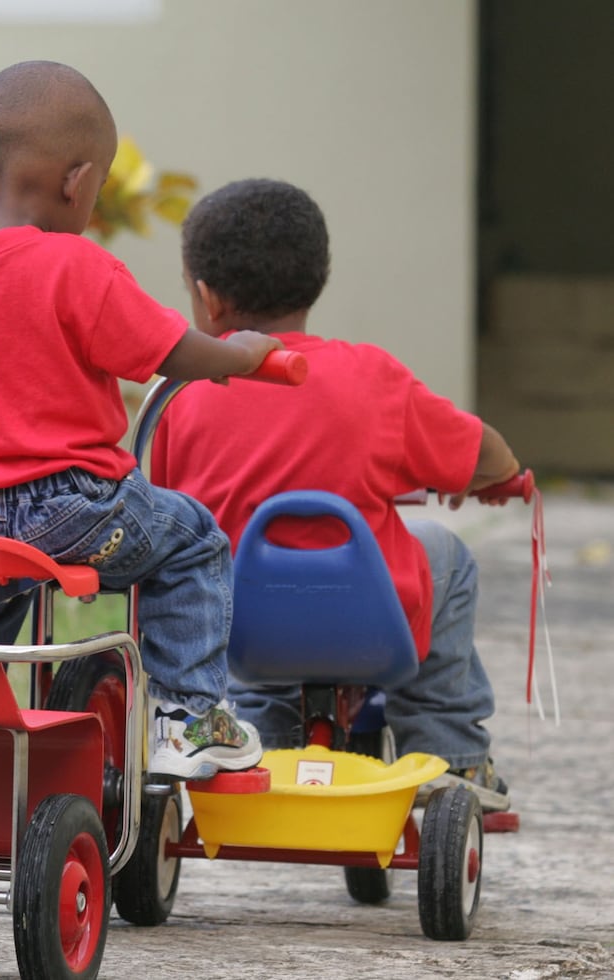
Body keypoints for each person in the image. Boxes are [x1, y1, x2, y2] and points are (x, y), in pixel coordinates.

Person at [0, 62, 282, 781]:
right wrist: (239, 354)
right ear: (79, 182)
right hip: (74, 509)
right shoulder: (74, 266)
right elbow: (167, 348)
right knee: (193, 542)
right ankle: (188, 719)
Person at [151, 177, 519, 809]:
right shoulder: (372, 378)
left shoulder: (181, 394)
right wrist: (497, 476)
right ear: (317, 280)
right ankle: (451, 752)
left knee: (225, 571)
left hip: (239, 626)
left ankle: (262, 738)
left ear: (206, 298)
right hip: (368, 619)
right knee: (446, 555)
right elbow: (486, 454)